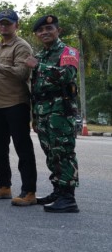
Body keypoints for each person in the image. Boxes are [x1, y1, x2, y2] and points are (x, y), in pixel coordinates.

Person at [0, 9, 39, 206]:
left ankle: (29, 191)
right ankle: (3, 186)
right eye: (1, 23)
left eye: (8, 23)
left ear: (17, 25)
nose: (4, 26)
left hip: (16, 103)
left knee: (23, 149)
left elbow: (22, 73)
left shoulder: (22, 46)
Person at [26, 14, 81, 213]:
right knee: (51, 154)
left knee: (64, 153)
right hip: (42, 112)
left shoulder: (68, 51)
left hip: (61, 111)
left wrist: (38, 66)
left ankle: (68, 197)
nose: (44, 33)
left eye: (49, 29)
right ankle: (58, 190)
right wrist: (34, 116)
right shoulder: (40, 55)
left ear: (58, 31)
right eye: (40, 30)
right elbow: (35, 89)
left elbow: (67, 75)